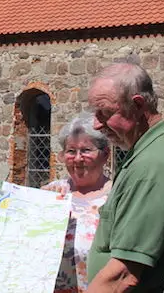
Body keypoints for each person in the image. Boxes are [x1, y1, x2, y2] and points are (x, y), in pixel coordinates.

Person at [84, 63, 164, 293]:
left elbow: (123, 276)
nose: (96, 124)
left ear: (138, 105)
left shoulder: (153, 166)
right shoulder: (148, 153)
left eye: (105, 113)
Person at [42, 113, 114, 293]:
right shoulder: (52, 193)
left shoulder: (116, 197)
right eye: (71, 151)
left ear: (105, 155)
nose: (78, 159)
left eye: (86, 150)